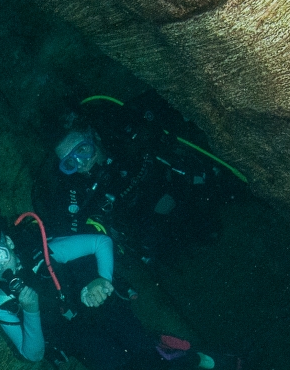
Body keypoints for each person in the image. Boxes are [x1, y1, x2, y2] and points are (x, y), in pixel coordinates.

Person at [0, 214, 232, 370]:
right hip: (74, 334)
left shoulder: (46, 251)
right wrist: (31, 311)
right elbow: (32, 354)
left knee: (146, 355)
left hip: (97, 305)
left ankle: (191, 357)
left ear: (9, 243)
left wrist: (102, 280)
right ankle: (162, 346)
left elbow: (100, 241)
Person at [41, 90, 244, 260]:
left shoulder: (122, 133)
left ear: (93, 136)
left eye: (82, 150)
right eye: (70, 162)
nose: (82, 163)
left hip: (181, 185)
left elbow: (165, 107)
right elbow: (72, 234)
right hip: (153, 228)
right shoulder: (77, 190)